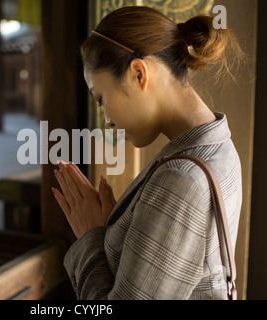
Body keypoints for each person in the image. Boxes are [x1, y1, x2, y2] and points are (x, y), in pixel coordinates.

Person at [51, 6, 244, 300]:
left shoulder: (181, 180)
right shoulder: (219, 146)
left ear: (139, 73)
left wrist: (91, 237)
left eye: (101, 99)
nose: (107, 120)